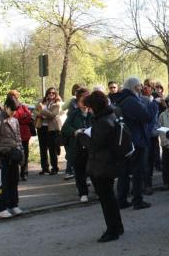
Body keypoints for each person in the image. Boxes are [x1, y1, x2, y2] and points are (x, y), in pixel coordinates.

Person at [84, 91, 124, 242]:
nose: (88, 110)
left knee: (106, 199)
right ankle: (117, 226)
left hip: (102, 164)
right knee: (110, 198)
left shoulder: (102, 121)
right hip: (107, 163)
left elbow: (95, 144)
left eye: (90, 107)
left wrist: (82, 136)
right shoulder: (110, 116)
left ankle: (112, 230)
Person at [115, 77, 151, 210]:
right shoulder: (132, 100)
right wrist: (152, 104)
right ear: (134, 87)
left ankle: (122, 199)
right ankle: (137, 200)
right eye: (139, 86)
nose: (141, 88)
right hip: (136, 139)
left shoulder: (120, 98)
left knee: (123, 171)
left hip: (124, 140)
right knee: (137, 171)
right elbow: (146, 116)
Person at [0, 96, 24, 219]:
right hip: (1, 158)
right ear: (6, 107)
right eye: (11, 110)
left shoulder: (15, 121)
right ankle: (1, 208)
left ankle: (14, 204)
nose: (13, 113)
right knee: (1, 184)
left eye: (15, 111)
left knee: (14, 182)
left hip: (13, 157)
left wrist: (21, 156)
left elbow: (18, 140)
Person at [61, 88, 92, 202]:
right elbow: (65, 128)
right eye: (82, 101)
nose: (84, 104)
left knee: (93, 170)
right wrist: (75, 131)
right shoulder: (74, 114)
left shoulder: (92, 113)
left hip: (91, 146)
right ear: (78, 102)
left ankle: (99, 191)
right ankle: (83, 193)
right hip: (77, 147)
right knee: (79, 171)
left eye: (86, 101)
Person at [35, 88, 63, 175]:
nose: (51, 94)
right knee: (42, 148)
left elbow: (53, 115)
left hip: (52, 129)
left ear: (55, 94)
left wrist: (43, 110)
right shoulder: (42, 101)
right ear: (47, 93)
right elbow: (35, 112)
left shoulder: (57, 103)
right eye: (50, 93)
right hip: (41, 127)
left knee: (52, 149)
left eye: (53, 93)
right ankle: (45, 168)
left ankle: (54, 168)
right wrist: (41, 114)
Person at [8, 90, 33, 181]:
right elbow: (10, 120)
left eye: (14, 95)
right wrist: (22, 119)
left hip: (24, 134)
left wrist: (20, 120)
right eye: (11, 96)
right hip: (12, 135)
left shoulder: (23, 106)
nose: (13, 97)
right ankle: (15, 173)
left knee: (25, 154)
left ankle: (24, 173)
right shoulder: (8, 107)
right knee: (14, 154)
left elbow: (29, 118)